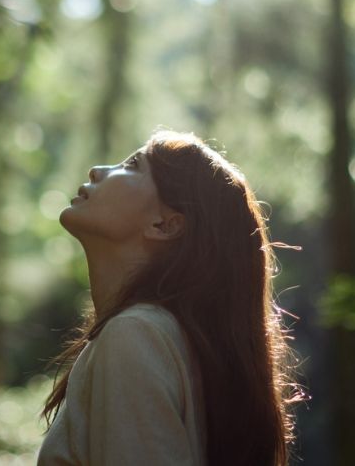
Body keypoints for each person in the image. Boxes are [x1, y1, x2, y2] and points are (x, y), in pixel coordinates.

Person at [36, 129, 301, 466]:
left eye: (132, 165)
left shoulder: (134, 335)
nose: (97, 170)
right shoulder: (165, 340)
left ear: (164, 225)